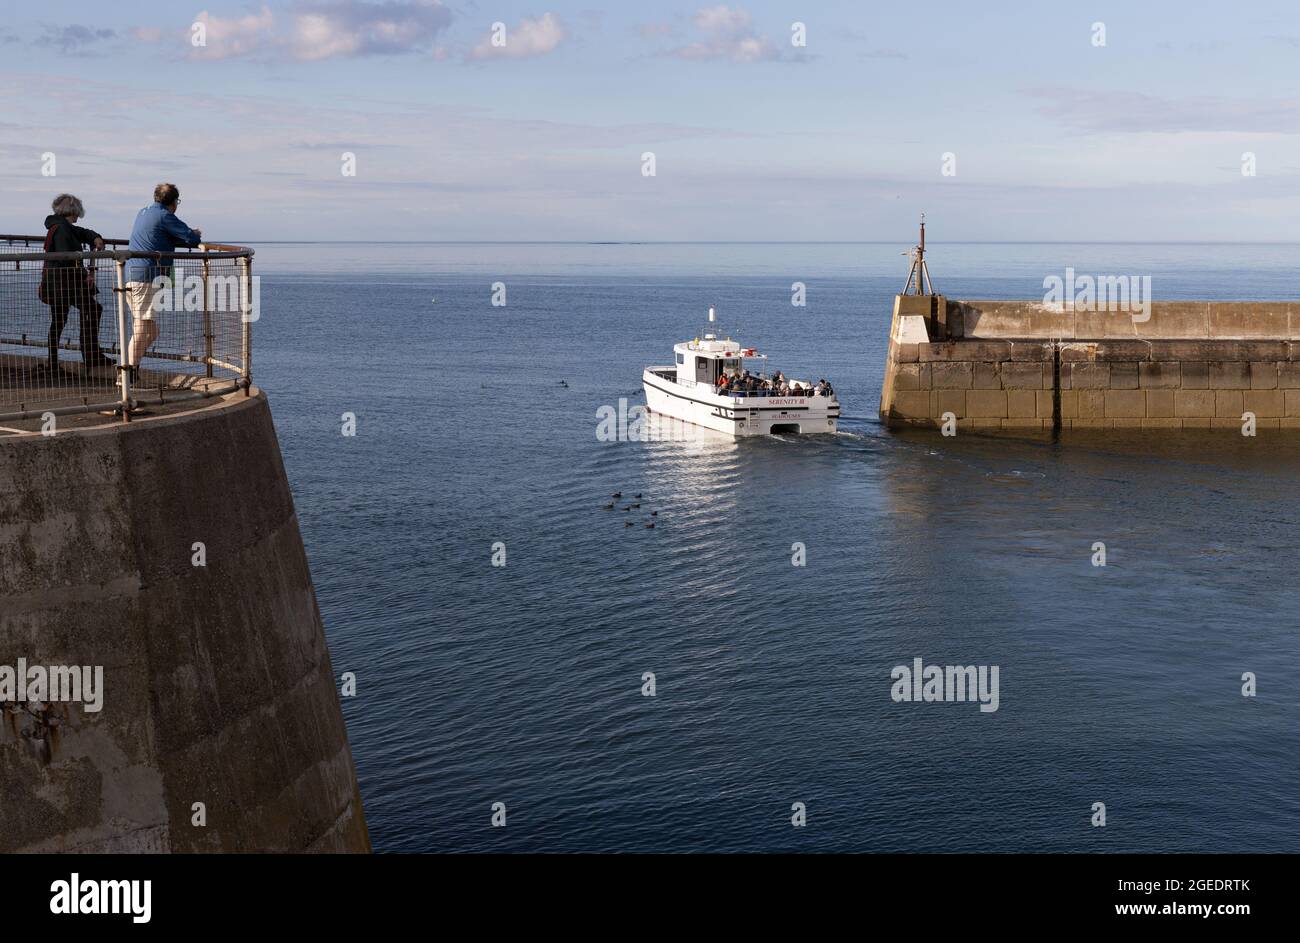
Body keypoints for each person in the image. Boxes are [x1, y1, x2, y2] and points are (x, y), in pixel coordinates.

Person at [123, 183, 202, 382]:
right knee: (142, 326)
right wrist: (195, 234)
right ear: (174, 202)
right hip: (146, 277)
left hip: (132, 274)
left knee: (151, 329)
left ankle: (132, 369)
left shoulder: (144, 212)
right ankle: (126, 373)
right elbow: (190, 238)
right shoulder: (165, 216)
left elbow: (159, 236)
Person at [38, 194, 111, 374]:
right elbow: (67, 258)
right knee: (92, 309)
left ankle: (55, 362)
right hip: (64, 284)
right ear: (73, 211)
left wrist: (95, 237)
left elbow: (83, 232)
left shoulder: (60, 226)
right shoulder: (63, 230)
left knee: (59, 321)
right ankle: (90, 354)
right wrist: (85, 275)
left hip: (58, 284)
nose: (78, 215)